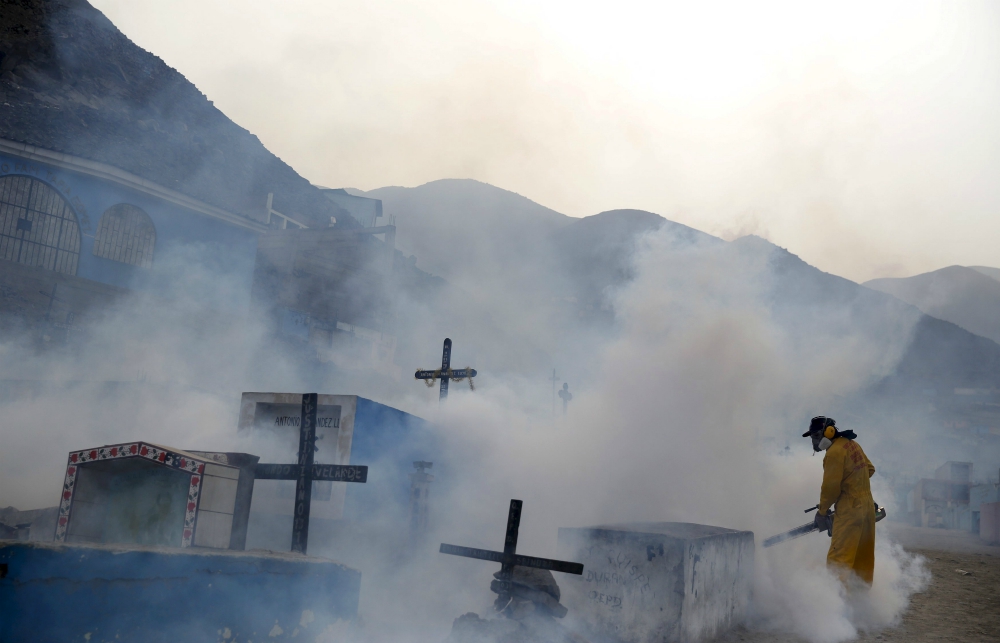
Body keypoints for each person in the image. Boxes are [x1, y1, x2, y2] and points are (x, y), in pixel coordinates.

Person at [803, 416, 876, 585]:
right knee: (861, 560)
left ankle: (835, 606)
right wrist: (854, 487)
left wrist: (822, 512)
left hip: (850, 510)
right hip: (867, 507)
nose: (814, 441)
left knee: (839, 560)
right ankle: (860, 602)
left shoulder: (834, 453)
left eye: (815, 436)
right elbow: (869, 469)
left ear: (828, 432)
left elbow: (830, 489)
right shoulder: (852, 444)